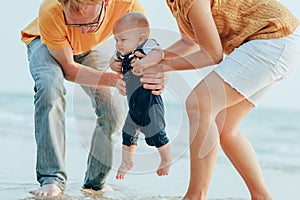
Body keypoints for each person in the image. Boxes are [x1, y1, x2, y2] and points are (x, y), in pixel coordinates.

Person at [132, 0, 300, 199]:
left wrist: (161, 67)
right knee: (224, 127)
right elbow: (190, 42)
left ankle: (195, 196)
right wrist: (157, 56)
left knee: (199, 103)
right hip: (281, 40)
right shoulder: (175, 2)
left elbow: (212, 54)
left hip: (273, 37)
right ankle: (261, 197)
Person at [20, 0, 164, 197]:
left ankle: (95, 183)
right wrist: (113, 79)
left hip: (90, 49)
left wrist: (155, 75)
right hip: (47, 43)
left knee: (114, 108)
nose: (85, 30)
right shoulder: (51, 10)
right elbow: (70, 69)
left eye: (91, 23)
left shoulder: (127, 5)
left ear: (105, 4)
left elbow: (148, 50)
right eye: (76, 24)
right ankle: (51, 179)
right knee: (49, 87)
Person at [110, 12, 172, 180]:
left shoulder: (146, 46)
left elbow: (159, 54)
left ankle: (166, 159)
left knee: (157, 132)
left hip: (150, 101)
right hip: (134, 103)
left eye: (122, 40)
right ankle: (127, 161)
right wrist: (113, 64)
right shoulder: (123, 53)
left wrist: (144, 63)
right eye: (116, 40)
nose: (118, 44)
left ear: (140, 38)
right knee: (128, 132)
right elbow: (113, 61)